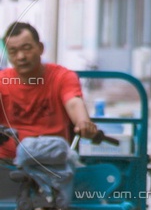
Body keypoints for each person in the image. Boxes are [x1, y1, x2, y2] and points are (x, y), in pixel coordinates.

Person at [0, 21, 99, 160]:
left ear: (40, 48)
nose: (21, 56)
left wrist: (83, 122)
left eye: (27, 48)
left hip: (53, 162)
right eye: (13, 51)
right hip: (7, 163)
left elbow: (73, 102)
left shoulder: (62, 77)